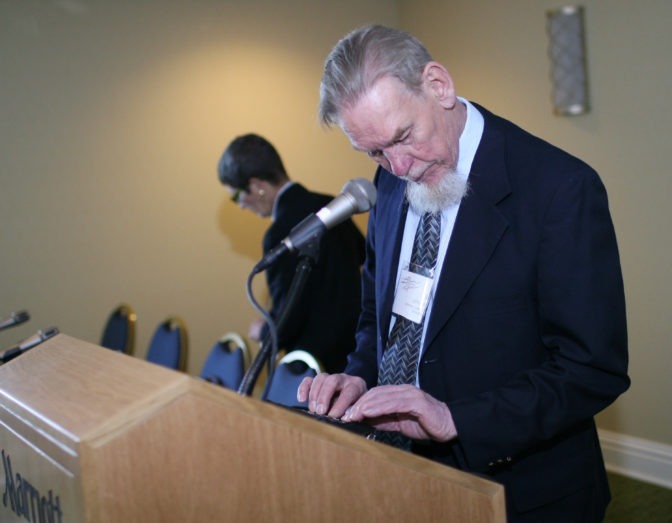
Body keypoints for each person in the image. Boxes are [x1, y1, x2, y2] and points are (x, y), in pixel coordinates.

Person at [297, 24, 629, 522]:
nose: (399, 165)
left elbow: (591, 370)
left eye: (403, 137)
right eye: (374, 153)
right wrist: (359, 378)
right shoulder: (389, 180)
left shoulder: (560, 188)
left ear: (438, 85)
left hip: (523, 494)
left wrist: (457, 419)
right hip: (403, 481)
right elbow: (377, 316)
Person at [218, 133, 365, 374]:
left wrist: (263, 332)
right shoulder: (331, 205)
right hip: (357, 354)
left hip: (315, 367)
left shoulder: (279, 234)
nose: (241, 205)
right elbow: (363, 259)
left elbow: (289, 319)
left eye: (236, 196)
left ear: (257, 186)